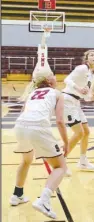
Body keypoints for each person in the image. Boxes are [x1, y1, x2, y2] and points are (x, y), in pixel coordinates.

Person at [9, 71, 68, 220]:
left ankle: (17, 195)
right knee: (60, 167)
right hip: (38, 127)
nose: (55, 76)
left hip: (20, 126)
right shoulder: (57, 93)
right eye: (53, 75)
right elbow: (60, 121)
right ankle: (44, 200)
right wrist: (66, 142)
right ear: (49, 81)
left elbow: (23, 112)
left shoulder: (32, 93)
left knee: (26, 161)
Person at [62, 49, 94, 172]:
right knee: (79, 133)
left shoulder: (92, 76)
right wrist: (79, 88)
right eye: (92, 55)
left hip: (76, 103)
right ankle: (61, 162)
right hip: (67, 100)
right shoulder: (82, 68)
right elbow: (67, 80)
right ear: (86, 58)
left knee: (86, 132)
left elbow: (87, 97)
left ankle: (83, 161)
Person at [19, 28, 53, 102]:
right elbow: (43, 44)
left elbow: (43, 44)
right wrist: (45, 34)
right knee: (48, 85)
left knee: (33, 84)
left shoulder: (41, 55)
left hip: (40, 70)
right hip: (44, 70)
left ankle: (28, 96)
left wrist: (44, 34)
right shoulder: (43, 55)